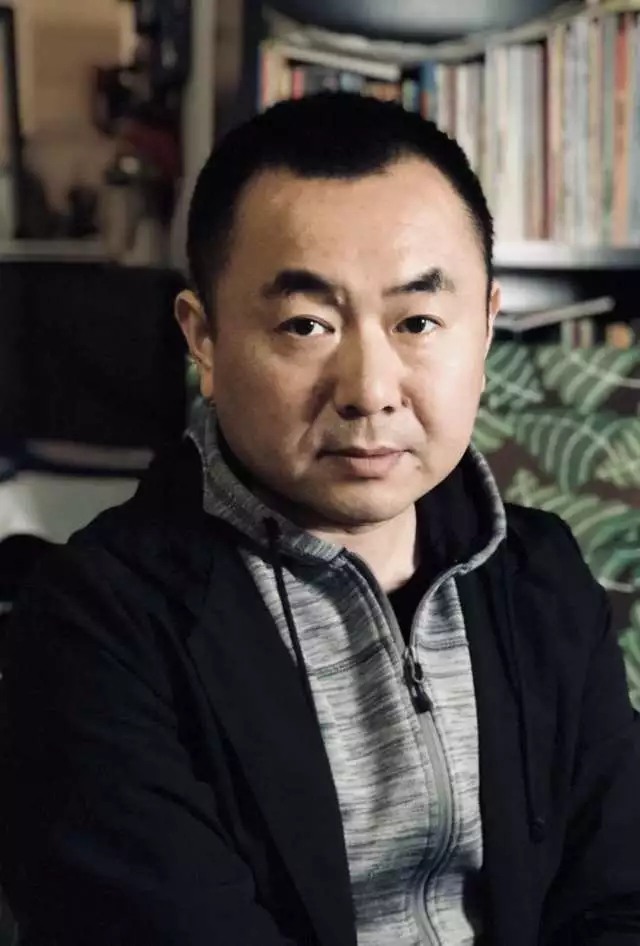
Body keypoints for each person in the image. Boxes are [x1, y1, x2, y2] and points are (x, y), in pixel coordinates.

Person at [2, 92, 640, 946]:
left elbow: (619, 899)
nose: (370, 390)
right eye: (306, 325)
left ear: (486, 330)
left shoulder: (542, 575)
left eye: (418, 321)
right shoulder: (98, 629)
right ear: (204, 340)